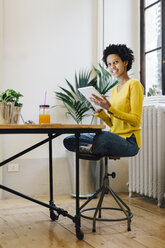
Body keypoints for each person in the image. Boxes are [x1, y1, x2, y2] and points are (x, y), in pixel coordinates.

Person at [63, 44, 144, 158]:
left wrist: (110, 108)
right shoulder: (114, 91)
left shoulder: (134, 84)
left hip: (129, 141)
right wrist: (100, 111)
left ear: (125, 62)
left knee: (103, 138)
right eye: (109, 64)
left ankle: (93, 147)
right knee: (70, 140)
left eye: (116, 62)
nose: (112, 67)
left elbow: (136, 121)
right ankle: (93, 148)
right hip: (113, 136)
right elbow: (112, 123)